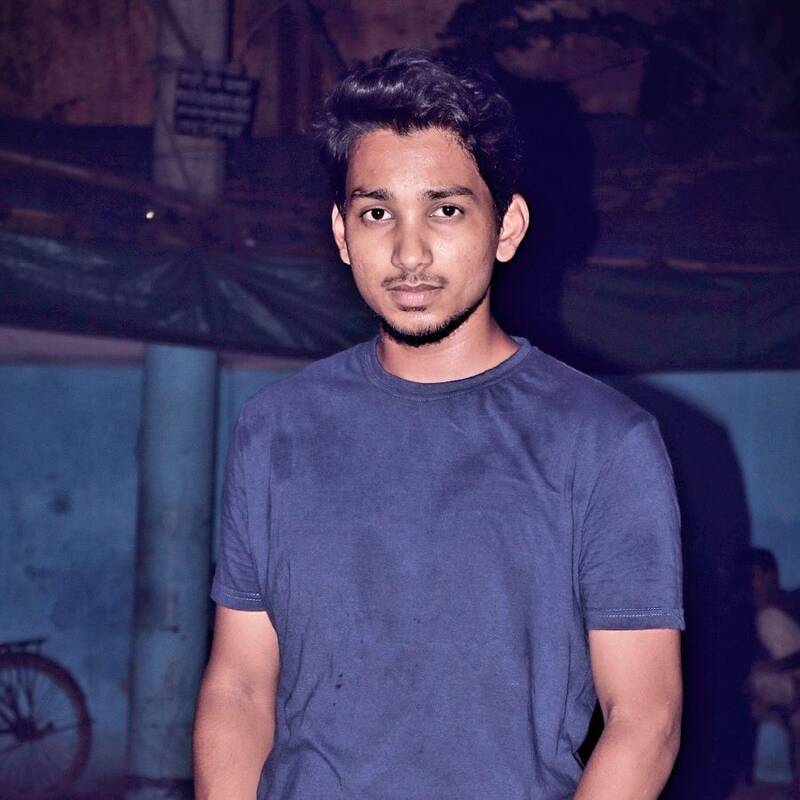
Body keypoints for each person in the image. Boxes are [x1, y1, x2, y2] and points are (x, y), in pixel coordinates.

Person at [193, 48, 684, 800]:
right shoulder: (275, 430)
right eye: (377, 212)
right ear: (341, 233)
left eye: (445, 209)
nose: (409, 252)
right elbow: (238, 686)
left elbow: (645, 719)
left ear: (507, 227)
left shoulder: (604, 442)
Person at [745, 548, 800, 792]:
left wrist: (770, 667)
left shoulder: (778, 610)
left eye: (757, 576)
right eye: (750, 577)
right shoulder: (756, 613)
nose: (754, 583)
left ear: (770, 575)